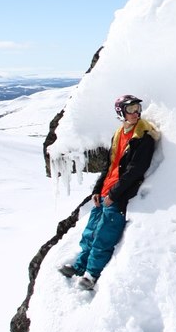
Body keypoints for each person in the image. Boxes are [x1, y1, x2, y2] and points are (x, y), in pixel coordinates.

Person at [59, 94, 159, 290]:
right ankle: (79, 266)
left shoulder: (144, 137)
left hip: (120, 195)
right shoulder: (118, 134)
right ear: (121, 112)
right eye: (130, 109)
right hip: (105, 192)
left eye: (138, 108)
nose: (136, 113)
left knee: (105, 234)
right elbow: (110, 166)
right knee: (91, 231)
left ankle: (92, 274)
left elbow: (135, 170)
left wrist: (114, 195)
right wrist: (97, 190)